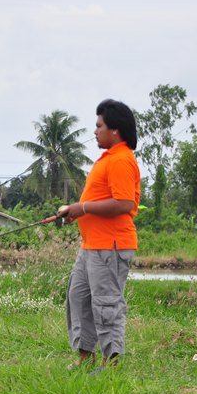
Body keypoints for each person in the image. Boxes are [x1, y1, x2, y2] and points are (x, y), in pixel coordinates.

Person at [57, 99, 141, 372]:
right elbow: (101, 201)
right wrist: (78, 213)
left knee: (106, 304)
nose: (95, 131)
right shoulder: (107, 159)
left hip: (111, 246)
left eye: (99, 126)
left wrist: (80, 207)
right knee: (78, 297)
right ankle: (85, 357)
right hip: (91, 245)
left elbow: (124, 203)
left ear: (114, 130)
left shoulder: (121, 160)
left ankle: (111, 362)